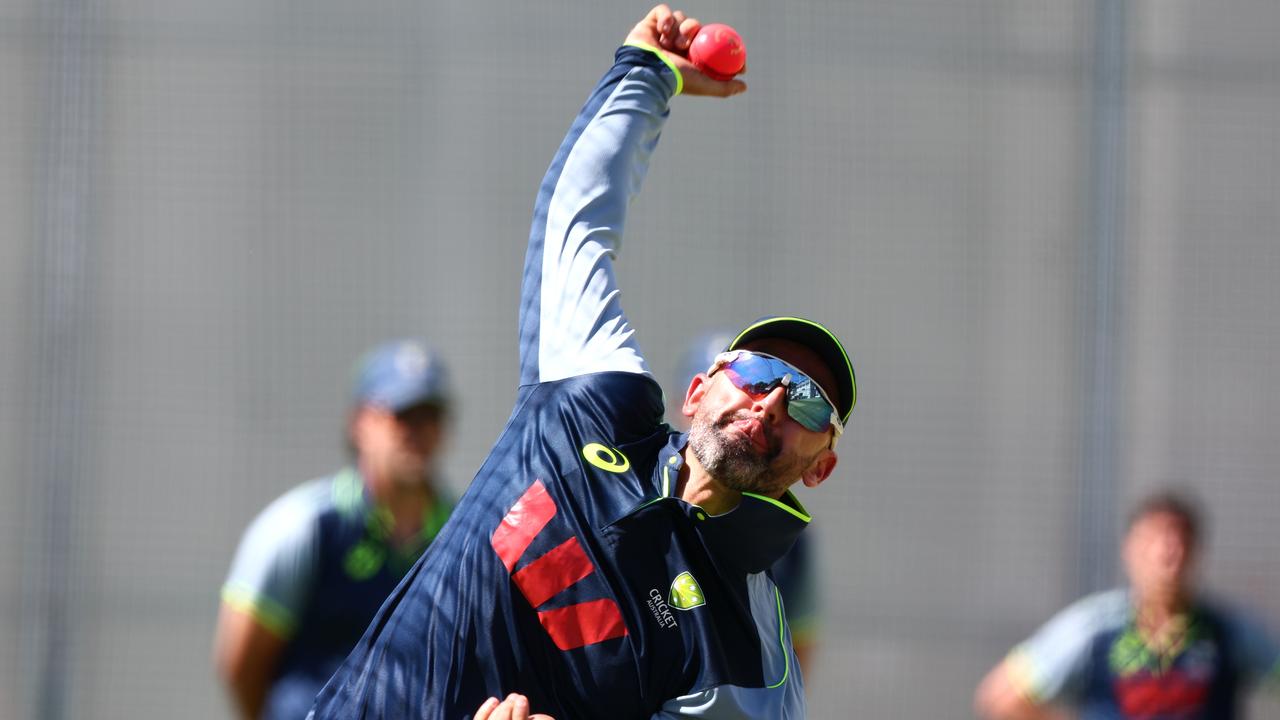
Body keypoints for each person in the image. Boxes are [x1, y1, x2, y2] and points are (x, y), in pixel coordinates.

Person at [309, 6, 857, 719]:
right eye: (754, 372)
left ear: (820, 467)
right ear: (698, 391)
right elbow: (576, 222)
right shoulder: (595, 403)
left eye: (809, 401)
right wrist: (647, 77)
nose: (773, 402)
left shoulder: (753, 658)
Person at [214, 340, 455, 719]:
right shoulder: (301, 527)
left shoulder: (462, 536)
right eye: (402, 414)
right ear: (359, 423)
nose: (417, 430)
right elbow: (240, 663)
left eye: (430, 415)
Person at [974, 490, 1280, 720]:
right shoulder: (1095, 627)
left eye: (1178, 544)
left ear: (1195, 552)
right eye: (1154, 542)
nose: (1167, 558)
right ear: (1130, 550)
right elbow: (1001, 696)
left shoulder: (1227, 630)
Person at [674, 330, 821, 677]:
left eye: (800, 401)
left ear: (821, 466)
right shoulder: (622, 473)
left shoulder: (788, 543)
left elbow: (797, 646)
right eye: (748, 378)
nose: (766, 404)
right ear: (696, 394)